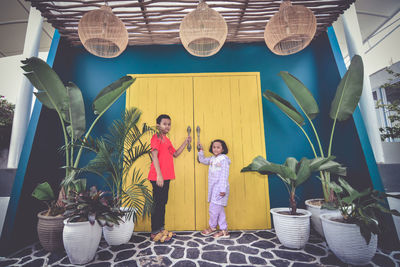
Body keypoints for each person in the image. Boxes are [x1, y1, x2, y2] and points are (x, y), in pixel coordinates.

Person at [148, 114, 191, 242]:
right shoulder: (156, 138)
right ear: (158, 125)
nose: (167, 126)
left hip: (166, 176)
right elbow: (154, 157)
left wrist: (186, 142)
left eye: (169, 124)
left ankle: (161, 228)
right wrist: (159, 176)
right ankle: (154, 232)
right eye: (164, 123)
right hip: (158, 176)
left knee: (163, 203)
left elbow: (176, 154)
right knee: (157, 204)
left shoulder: (166, 140)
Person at [198, 139, 231, 238]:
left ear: (223, 149)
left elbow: (224, 175)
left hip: (220, 188)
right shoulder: (212, 159)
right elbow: (202, 160)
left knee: (213, 209)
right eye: (214, 147)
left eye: (218, 147)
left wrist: (222, 189)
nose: (215, 149)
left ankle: (212, 227)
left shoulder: (223, 159)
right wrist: (201, 151)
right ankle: (224, 230)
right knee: (219, 209)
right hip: (214, 188)